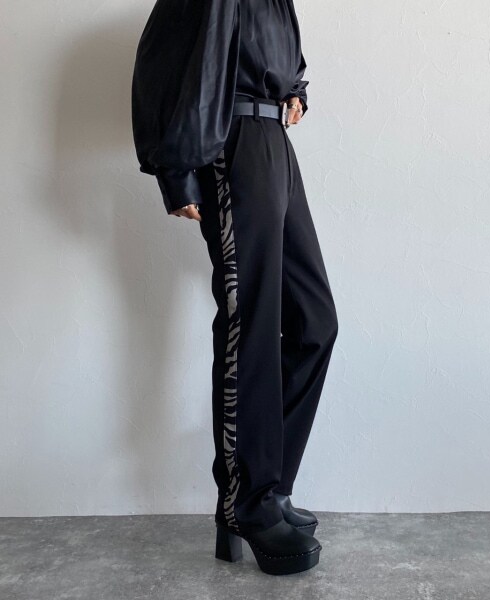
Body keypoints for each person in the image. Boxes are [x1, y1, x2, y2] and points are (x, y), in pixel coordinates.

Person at [131, 0, 338, 576]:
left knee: (315, 322)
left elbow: (281, 57)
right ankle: (246, 502)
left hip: (275, 142)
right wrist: (175, 173)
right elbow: (158, 65)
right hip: (231, 144)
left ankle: (269, 487)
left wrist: (296, 89)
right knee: (251, 323)